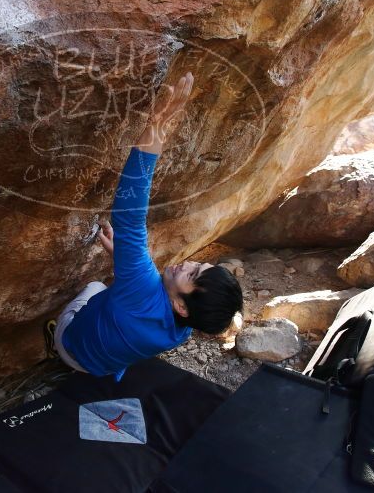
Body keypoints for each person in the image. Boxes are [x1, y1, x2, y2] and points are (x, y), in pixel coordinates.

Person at [45, 72, 244, 381]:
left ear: (180, 305)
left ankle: (55, 340)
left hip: (71, 347)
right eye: (199, 264)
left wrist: (159, 123)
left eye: (192, 274)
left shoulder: (143, 288)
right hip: (102, 369)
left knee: (96, 288)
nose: (188, 263)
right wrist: (121, 255)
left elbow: (129, 217)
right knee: (114, 300)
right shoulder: (184, 331)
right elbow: (139, 296)